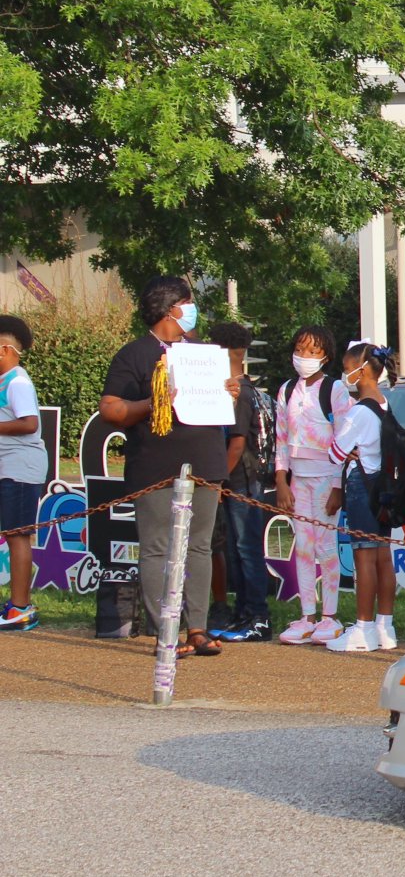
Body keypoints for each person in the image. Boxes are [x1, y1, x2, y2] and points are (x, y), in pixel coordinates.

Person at [96, 276, 239, 655]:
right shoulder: (134, 354)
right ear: (169, 308)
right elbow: (110, 408)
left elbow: (223, 400)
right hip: (155, 465)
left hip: (205, 460)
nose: (193, 309)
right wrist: (153, 402)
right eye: (188, 302)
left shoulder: (204, 353)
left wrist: (229, 391)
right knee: (158, 547)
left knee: (199, 546)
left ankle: (197, 629)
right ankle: (166, 632)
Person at [273, 324, 350, 646]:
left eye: (312, 351)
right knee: (303, 546)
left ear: (325, 356)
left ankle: (329, 616)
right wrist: (281, 479)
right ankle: (306, 615)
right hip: (298, 478)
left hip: (325, 477)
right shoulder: (287, 390)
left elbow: (344, 439)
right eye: (300, 350)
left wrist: (337, 486)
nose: (304, 356)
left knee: (326, 546)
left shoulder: (335, 390)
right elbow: (281, 438)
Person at [325, 343, 400, 652]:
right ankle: (385, 626)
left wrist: (346, 448)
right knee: (383, 556)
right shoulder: (384, 403)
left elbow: (335, 453)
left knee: (363, 557)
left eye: (348, 369)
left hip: (361, 485)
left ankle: (363, 628)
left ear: (363, 370)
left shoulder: (358, 411)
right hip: (383, 486)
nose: (346, 376)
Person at [209, 322, 276, 642]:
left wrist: (218, 481)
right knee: (237, 550)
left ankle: (258, 616)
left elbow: (237, 443)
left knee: (247, 550)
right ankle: (243, 612)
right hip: (241, 481)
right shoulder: (248, 389)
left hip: (242, 481)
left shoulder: (241, 395)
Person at [0, 315, 47, 632]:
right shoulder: (6, 380)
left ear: (5, 350)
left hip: (21, 468)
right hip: (10, 467)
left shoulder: (17, 381)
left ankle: (20, 608)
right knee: (12, 534)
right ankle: (16, 605)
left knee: (17, 536)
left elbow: (29, 423)